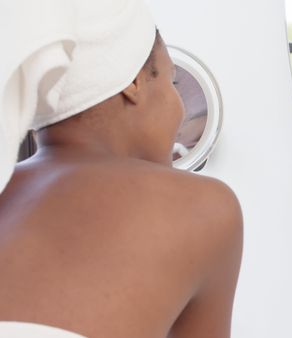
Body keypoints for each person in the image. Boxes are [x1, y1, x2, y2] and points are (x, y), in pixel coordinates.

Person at [0, 1, 242, 337]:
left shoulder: (6, 189)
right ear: (134, 81)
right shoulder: (205, 207)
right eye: (172, 81)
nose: (180, 108)